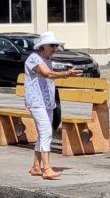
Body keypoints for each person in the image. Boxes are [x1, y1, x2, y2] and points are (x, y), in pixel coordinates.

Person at [24, 31, 81, 180]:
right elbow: (46, 74)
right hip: (36, 102)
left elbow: (49, 74)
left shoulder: (47, 59)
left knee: (43, 133)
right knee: (46, 132)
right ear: (43, 46)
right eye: (52, 45)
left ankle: (36, 166)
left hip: (47, 102)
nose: (54, 48)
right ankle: (46, 168)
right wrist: (67, 74)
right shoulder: (34, 58)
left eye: (56, 45)